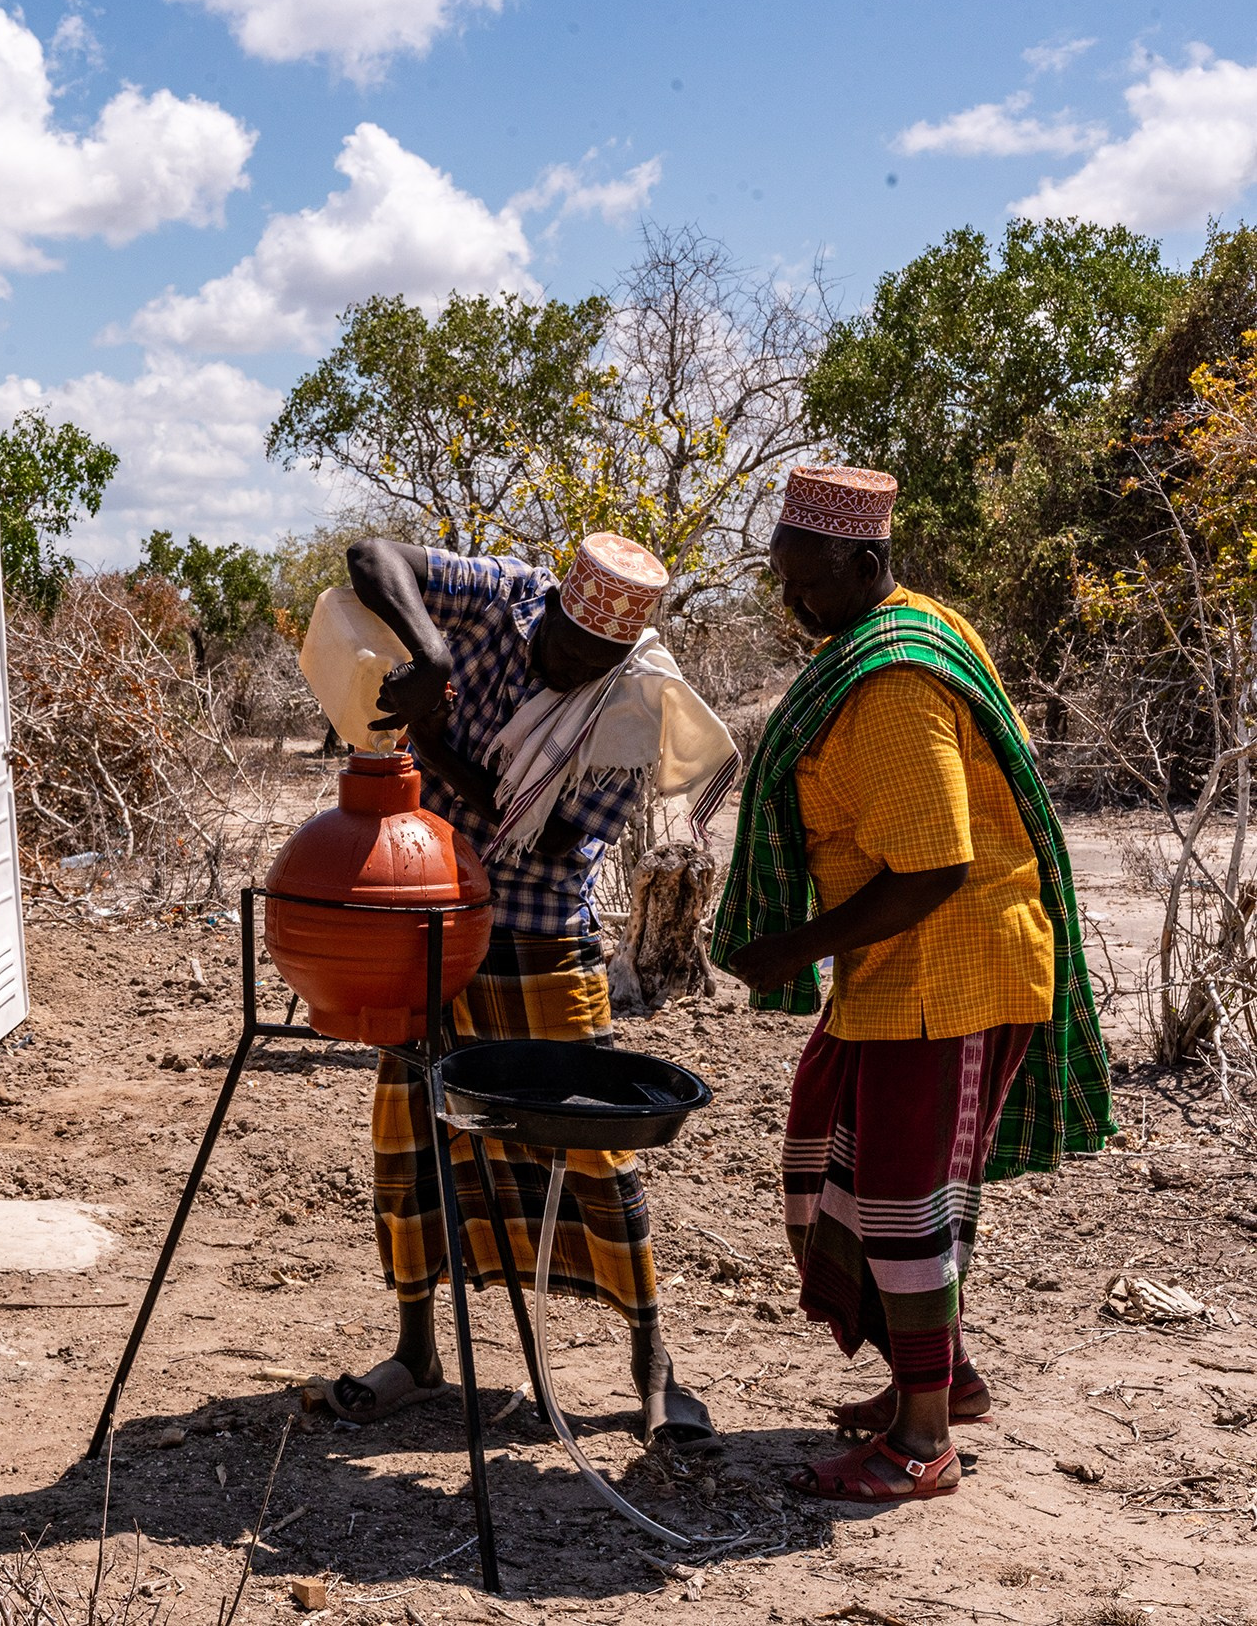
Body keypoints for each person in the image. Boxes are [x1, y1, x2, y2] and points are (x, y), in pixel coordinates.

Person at [712, 464, 1114, 1503]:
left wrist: (795, 944)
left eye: (811, 581)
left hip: (955, 966)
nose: (795, 602)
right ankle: (937, 1381)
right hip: (908, 972)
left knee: (901, 1196)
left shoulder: (891, 683)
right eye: (782, 579)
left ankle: (922, 1438)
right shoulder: (902, 629)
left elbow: (934, 863)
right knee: (846, 1161)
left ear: (867, 561)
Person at [337, 531, 738, 1445]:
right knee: (412, 1138)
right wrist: (429, 655)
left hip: (540, 934)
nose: (576, 674)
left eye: (599, 662)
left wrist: (430, 744)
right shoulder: (494, 599)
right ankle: (416, 1352)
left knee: (592, 1147)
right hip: (428, 916)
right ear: (550, 607)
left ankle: (654, 1367)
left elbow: (552, 844)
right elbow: (371, 557)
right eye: (568, 651)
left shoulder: (634, 698)